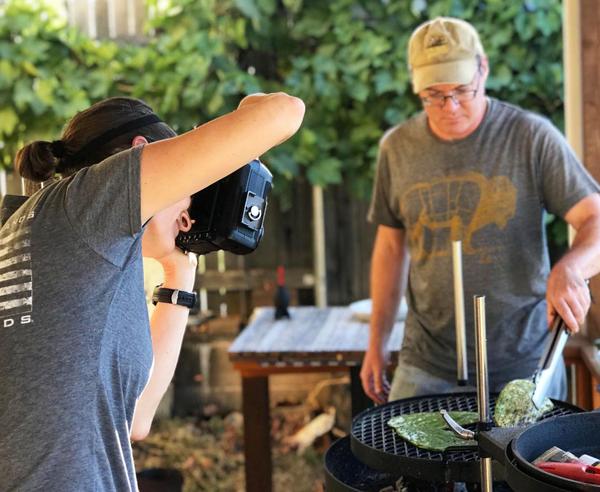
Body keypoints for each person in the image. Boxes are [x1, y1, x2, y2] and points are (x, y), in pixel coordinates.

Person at [0, 94, 305, 490]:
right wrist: (248, 104)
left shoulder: (65, 239)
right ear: (140, 154)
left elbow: (135, 419)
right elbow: (284, 111)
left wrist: (181, 270)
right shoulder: (88, 200)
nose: (187, 213)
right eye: (187, 189)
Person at [360, 17, 600, 405]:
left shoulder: (530, 137)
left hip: (523, 361)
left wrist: (570, 268)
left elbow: (595, 218)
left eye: (461, 90)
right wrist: (376, 342)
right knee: (408, 463)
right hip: (426, 362)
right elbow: (390, 248)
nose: (450, 107)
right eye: (434, 95)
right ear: (415, 85)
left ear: (483, 68)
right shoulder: (397, 148)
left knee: (524, 465)